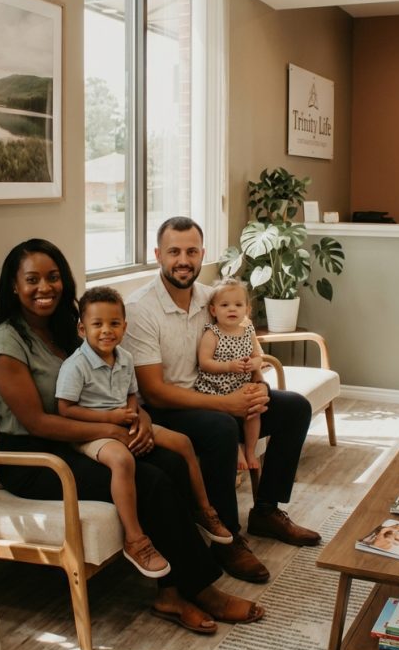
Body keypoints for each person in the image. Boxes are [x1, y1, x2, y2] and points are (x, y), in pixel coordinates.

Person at [0, 238, 263, 636]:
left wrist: (140, 418)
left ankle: (171, 592)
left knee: (170, 461)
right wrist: (113, 429)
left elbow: (110, 387)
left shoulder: (66, 329)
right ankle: (201, 589)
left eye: (53, 277)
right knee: (151, 480)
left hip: (85, 439)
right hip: (36, 459)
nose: (45, 287)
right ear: (13, 285)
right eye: (32, 279)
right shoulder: (8, 342)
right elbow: (38, 423)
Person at [123, 216, 320, 587]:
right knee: (219, 427)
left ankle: (265, 509)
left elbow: (245, 340)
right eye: (174, 251)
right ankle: (226, 537)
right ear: (157, 255)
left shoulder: (210, 298)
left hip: (214, 390)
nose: (184, 259)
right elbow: (153, 391)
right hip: (167, 408)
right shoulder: (140, 310)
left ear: (202, 254)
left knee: (294, 407)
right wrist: (228, 404)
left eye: (192, 251)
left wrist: (256, 382)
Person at [55, 285, 232, 578]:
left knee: (183, 443)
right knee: (122, 461)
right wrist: (110, 418)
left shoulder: (124, 358)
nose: (106, 331)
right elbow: (65, 409)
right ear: (82, 329)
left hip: (125, 422)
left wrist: (136, 416)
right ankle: (135, 539)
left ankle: (203, 509)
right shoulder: (75, 366)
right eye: (97, 324)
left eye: (114, 324)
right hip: (91, 432)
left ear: (124, 326)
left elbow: (132, 396)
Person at [195, 277, 264, 471]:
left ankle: (250, 450)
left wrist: (253, 363)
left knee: (254, 411)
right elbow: (205, 362)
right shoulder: (212, 333)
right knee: (224, 420)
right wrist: (228, 366)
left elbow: (257, 356)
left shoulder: (248, 329)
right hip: (215, 389)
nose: (232, 309)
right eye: (225, 305)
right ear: (213, 310)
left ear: (247, 310)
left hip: (241, 385)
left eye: (238, 305)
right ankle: (236, 450)